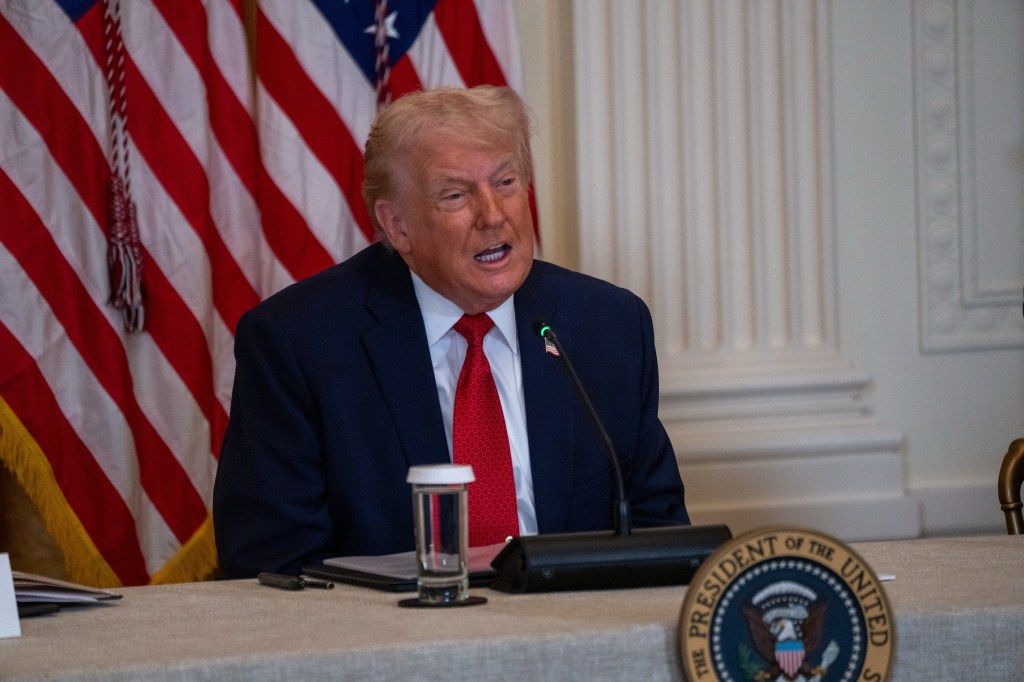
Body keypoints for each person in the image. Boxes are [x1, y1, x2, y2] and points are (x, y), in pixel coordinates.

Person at [213, 85, 688, 579]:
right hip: (390, 643)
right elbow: (272, 569)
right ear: (397, 227)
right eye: (456, 195)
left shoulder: (607, 325)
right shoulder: (299, 342)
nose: (494, 215)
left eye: (506, 182)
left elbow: (659, 535)